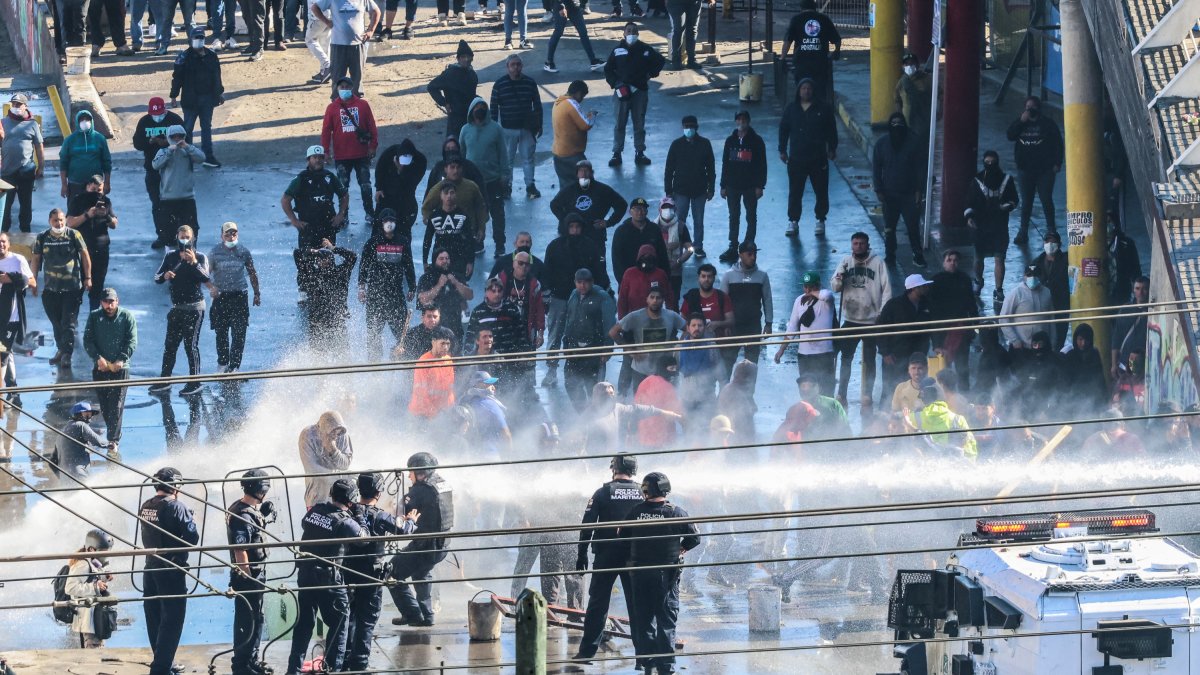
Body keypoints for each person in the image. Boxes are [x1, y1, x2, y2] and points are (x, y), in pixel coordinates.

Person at [619, 471, 699, 675]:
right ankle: (665, 667)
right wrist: (682, 548)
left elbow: (622, 535)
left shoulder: (635, 512)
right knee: (666, 621)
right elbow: (695, 538)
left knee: (644, 621)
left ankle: (648, 662)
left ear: (645, 490)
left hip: (640, 575)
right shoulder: (677, 512)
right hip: (666, 577)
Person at [288, 479, 365, 674]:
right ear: (351, 499)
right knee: (340, 622)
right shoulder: (345, 522)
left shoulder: (315, 510)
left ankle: (293, 670)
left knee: (304, 624)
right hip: (329, 579)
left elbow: (305, 523)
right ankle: (332, 669)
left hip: (305, 574)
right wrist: (359, 516)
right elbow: (364, 539)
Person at [573, 454, 643, 663]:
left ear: (614, 469)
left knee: (598, 604)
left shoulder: (602, 493)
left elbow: (587, 526)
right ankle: (643, 654)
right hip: (634, 557)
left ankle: (586, 653)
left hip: (605, 556)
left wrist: (581, 554)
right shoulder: (643, 492)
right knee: (637, 604)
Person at [344, 473, 414, 671]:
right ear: (379, 492)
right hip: (371, 574)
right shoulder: (379, 516)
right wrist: (411, 520)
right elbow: (403, 530)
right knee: (367, 619)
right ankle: (359, 663)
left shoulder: (348, 512)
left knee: (349, 616)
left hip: (348, 571)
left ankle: (345, 657)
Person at [139, 467, 200, 675]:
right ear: (176, 486)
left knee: (154, 617)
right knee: (172, 620)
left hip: (150, 568)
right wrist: (191, 519)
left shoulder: (146, 505)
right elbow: (192, 538)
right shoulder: (177, 507)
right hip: (171, 570)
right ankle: (161, 668)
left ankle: (163, 661)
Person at [388, 452, 454, 626]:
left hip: (425, 546)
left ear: (421, 473)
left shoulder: (422, 490)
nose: (409, 476)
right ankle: (427, 615)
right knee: (421, 573)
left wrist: (394, 506)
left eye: (411, 472)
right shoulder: (441, 483)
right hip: (442, 545)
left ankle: (412, 614)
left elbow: (399, 509)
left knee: (391, 573)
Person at [830, 231, 889, 407]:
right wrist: (840, 278)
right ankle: (841, 393)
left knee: (870, 360)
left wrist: (882, 314)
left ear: (867, 244)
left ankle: (867, 394)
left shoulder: (878, 263)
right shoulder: (846, 262)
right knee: (846, 358)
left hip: (872, 320)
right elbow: (834, 287)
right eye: (855, 243)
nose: (858, 247)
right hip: (850, 318)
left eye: (861, 243)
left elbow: (887, 289)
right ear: (851, 245)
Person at [150, 226, 209, 397]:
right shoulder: (170, 256)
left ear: (193, 238)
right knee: (170, 345)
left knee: (191, 346)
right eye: (182, 237)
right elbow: (157, 278)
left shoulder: (200, 257)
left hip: (194, 307)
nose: (184, 240)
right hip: (177, 307)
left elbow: (206, 277)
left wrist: (194, 263)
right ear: (177, 237)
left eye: (187, 237)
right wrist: (165, 276)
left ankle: (195, 381)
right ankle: (165, 379)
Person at [31, 209, 92, 369]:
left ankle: (67, 354)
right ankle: (61, 349)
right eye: (55, 220)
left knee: (68, 323)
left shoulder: (74, 235)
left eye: (61, 220)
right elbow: (36, 259)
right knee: (56, 322)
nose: (59, 223)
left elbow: (85, 255)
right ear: (49, 221)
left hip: (72, 288)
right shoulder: (42, 237)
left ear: (65, 219)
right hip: (51, 289)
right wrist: (33, 280)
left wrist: (88, 277)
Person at [226, 470, 271, 675]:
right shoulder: (242, 515)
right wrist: (247, 576)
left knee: (256, 617)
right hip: (249, 575)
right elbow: (240, 549)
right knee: (247, 620)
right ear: (259, 489)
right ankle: (242, 665)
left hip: (253, 573)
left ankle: (250, 659)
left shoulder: (244, 508)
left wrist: (264, 515)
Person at [779, 78, 837, 238]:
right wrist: (782, 150)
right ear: (798, 91)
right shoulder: (791, 109)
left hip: (818, 158)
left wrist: (832, 148)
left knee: (821, 190)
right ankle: (793, 221)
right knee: (795, 192)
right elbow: (784, 129)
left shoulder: (824, 109)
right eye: (803, 88)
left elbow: (832, 130)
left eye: (809, 88)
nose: (806, 91)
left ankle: (820, 219)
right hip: (797, 159)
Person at [82, 288, 135, 458]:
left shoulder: (126, 316)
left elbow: (132, 340)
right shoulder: (94, 316)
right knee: (105, 405)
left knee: (117, 404)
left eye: (112, 301)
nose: (109, 305)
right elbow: (87, 340)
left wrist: (121, 359)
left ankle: (113, 440)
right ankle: (111, 434)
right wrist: (97, 358)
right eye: (106, 302)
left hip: (121, 368)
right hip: (101, 368)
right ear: (101, 303)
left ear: (117, 301)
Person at [604, 23, 665, 167]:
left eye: (634, 31)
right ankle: (616, 153)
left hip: (639, 92)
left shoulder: (645, 49)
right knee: (620, 123)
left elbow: (660, 61)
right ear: (624, 33)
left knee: (639, 123)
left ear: (638, 34)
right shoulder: (617, 50)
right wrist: (616, 83)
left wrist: (651, 74)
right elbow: (608, 69)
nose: (632, 33)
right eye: (629, 31)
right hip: (622, 93)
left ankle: (640, 152)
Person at [359, 209, 416, 361]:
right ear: (381, 223)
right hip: (375, 295)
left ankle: (401, 359)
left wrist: (412, 287)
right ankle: (374, 363)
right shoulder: (372, 242)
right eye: (385, 221)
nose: (389, 224)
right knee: (373, 333)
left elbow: (409, 265)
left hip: (395, 295)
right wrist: (361, 288)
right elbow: (363, 266)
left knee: (402, 332)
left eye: (392, 220)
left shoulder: (403, 242)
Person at [1006, 95, 1063, 245]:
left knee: (1046, 199)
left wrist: (1058, 163)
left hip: (1045, 170)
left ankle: (1051, 229)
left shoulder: (1047, 124)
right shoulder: (1021, 123)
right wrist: (1021, 121)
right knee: (1026, 202)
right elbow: (1010, 135)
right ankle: (1023, 231)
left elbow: (1058, 143)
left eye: (1033, 107)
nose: (1030, 110)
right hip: (1025, 169)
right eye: (1028, 107)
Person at [204, 222, 260, 374]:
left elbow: (252, 272)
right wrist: (211, 288)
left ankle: (234, 366)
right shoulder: (214, 252)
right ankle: (222, 363)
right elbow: (205, 274)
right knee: (221, 332)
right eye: (227, 233)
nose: (231, 236)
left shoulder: (244, 251)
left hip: (239, 296)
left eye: (234, 233)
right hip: (220, 298)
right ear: (222, 235)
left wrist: (257, 293)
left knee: (239, 333)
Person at [322, 78, 379, 225]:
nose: (344, 89)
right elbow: (326, 131)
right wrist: (325, 151)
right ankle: (344, 215)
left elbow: (371, 126)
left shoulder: (363, 105)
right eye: (342, 86)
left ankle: (370, 213)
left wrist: (373, 146)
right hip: (342, 155)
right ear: (337, 88)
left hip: (361, 154)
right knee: (342, 187)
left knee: (366, 185)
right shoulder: (332, 108)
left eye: (347, 86)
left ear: (352, 88)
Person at [965, 149, 1019, 303]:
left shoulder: (1007, 180)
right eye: (987, 162)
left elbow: (1014, 200)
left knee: (999, 259)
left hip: (999, 226)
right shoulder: (977, 180)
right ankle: (978, 280)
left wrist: (1006, 206)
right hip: (980, 227)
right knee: (978, 258)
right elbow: (969, 201)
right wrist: (969, 217)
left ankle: (999, 289)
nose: (990, 165)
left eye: (992, 162)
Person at [873, 112, 926, 266]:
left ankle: (918, 254)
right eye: (893, 123)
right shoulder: (881, 144)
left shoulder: (914, 142)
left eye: (899, 122)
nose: (896, 126)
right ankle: (890, 255)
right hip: (889, 194)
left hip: (910, 194)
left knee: (912, 227)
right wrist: (878, 189)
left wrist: (919, 190)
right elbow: (876, 168)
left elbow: (921, 168)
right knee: (889, 228)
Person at [459, 96, 510, 257]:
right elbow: (461, 153)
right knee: (474, 215)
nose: (479, 110)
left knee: (497, 214)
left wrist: (504, 175)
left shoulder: (496, 128)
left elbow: (503, 153)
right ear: (471, 111)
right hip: (472, 183)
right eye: (476, 107)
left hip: (493, 180)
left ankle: (500, 245)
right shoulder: (465, 130)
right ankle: (477, 243)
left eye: (482, 106)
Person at [611, 285, 685, 395]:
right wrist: (630, 351)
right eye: (652, 297)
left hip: (664, 368)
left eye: (658, 298)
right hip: (641, 369)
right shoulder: (635, 316)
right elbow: (613, 332)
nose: (655, 300)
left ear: (663, 300)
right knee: (641, 402)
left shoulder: (671, 316)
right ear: (647, 299)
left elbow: (688, 328)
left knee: (665, 401)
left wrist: (678, 345)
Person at [131, 97, 184, 247]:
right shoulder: (144, 122)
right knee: (157, 204)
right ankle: (162, 235)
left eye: (160, 114)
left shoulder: (174, 120)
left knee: (175, 203)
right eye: (154, 114)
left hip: (173, 170)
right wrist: (148, 142)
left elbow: (186, 141)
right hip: (153, 170)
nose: (157, 117)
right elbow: (137, 143)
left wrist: (166, 142)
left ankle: (177, 234)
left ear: (165, 110)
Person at [562, 267, 616, 409]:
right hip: (574, 350)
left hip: (594, 350)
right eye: (579, 282)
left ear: (592, 282)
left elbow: (610, 323)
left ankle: (596, 417)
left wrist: (608, 348)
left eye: (586, 282)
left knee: (595, 388)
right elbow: (569, 320)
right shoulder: (574, 295)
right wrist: (565, 344)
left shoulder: (603, 297)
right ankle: (583, 414)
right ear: (575, 282)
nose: (582, 285)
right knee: (570, 383)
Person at [775, 271, 836, 394]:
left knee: (826, 390)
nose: (807, 290)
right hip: (805, 354)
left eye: (811, 286)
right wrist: (781, 349)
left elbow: (826, 295)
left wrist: (811, 294)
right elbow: (792, 327)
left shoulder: (826, 300)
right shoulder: (799, 301)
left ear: (818, 286)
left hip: (824, 353)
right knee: (806, 390)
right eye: (805, 287)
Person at [718, 110, 767, 263]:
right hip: (732, 186)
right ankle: (733, 246)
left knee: (751, 216)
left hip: (750, 186)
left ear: (748, 121)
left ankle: (749, 244)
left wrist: (760, 185)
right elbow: (725, 164)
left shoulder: (757, 141)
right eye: (738, 119)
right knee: (734, 216)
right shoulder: (730, 141)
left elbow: (762, 165)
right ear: (735, 121)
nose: (741, 122)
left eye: (744, 119)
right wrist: (723, 185)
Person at [170, 28, 225, 168]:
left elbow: (216, 77)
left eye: (201, 37)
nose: (198, 40)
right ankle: (187, 156)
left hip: (207, 99)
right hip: (190, 99)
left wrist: (219, 93)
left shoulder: (211, 55)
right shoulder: (183, 57)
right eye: (196, 37)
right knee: (187, 129)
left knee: (206, 127)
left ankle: (208, 156)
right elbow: (177, 78)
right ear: (190, 39)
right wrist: (174, 95)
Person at [512, 507, 584, 610]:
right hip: (541, 524)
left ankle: (574, 612)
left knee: (572, 572)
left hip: (568, 525)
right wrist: (523, 517)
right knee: (527, 565)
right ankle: (549, 609)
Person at [491, 56, 543, 198]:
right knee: (508, 161)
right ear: (507, 67)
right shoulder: (499, 85)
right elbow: (494, 108)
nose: (516, 68)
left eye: (518, 64)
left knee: (528, 158)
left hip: (527, 129)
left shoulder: (530, 83)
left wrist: (539, 125)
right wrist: (493, 129)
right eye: (513, 65)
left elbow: (538, 106)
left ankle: (530, 186)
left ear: (522, 66)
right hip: (507, 129)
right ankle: (507, 187)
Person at [66, 175, 119, 310]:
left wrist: (106, 215)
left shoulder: (106, 202)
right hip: (80, 250)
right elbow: (70, 223)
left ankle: (94, 320)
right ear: (87, 187)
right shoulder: (78, 200)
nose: (96, 193)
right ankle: (72, 321)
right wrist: (87, 215)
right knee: (77, 287)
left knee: (97, 288)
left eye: (99, 190)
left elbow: (115, 224)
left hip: (101, 250)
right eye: (93, 189)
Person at [718, 242, 772, 374]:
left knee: (751, 365)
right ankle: (724, 392)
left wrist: (769, 323)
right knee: (728, 362)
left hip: (753, 326)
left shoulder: (762, 276)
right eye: (749, 254)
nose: (753, 257)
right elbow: (722, 302)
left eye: (755, 254)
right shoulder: (728, 275)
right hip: (733, 327)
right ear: (740, 255)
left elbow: (767, 300)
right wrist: (724, 325)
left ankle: (748, 394)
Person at [282, 145, 350, 249]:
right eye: (314, 157)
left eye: (320, 157)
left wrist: (341, 215)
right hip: (308, 227)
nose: (318, 160)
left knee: (328, 259)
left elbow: (344, 195)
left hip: (328, 226)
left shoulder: (330, 176)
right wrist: (294, 220)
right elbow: (285, 200)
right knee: (306, 261)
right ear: (308, 160)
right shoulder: (301, 178)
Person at [422, 157, 489, 262]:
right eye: (452, 167)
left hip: (468, 234)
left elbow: (481, 207)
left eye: (458, 167)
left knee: (465, 266)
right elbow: (426, 208)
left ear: (462, 169)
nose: (455, 171)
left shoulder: (471, 187)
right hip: (445, 238)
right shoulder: (438, 189)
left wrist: (481, 228)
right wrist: (432, 222)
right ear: (446, 169)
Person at [663, 116, 714, 254]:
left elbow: (710, 168)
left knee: (698, 220)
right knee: (679, 220)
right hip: (681, 190)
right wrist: (668, 190)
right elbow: (669, 168)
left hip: (700, 189)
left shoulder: (705, 144)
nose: (688, 129)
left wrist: (711, 189)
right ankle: (679, 244)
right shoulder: (676, 145)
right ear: (682, 127)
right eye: (686, 126)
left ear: (697, 127)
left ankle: (698, 247)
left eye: (691, 126)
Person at [551, 161, 628, 252]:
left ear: (592, 173)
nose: (584, 174)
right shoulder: (569, 190)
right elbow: (554, 205)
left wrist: (608, 222)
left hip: (595, 235)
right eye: (581, 171)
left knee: (597, 263)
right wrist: (567, 221)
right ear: (577, 174)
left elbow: (622, 205)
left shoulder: (602, 190)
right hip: (572, 235)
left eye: (586, 170)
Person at [583, 381, 682, 452]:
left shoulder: (618, 409)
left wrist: (664, 413)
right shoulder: (588, 415)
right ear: (597, 396)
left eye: (611, 393)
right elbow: (579, 436)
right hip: (596, 460)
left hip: (614, 460)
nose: (609, 396)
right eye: (605, 394)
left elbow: (639, 410)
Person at [928, 249, 977, 389]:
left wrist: (974, 326)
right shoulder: (936, 281)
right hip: (943, 330)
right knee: (944, 368)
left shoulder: (965, 279)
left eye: (955, 260)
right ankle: (944, 395)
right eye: (949, 260)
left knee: (963, 367)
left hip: (961, 329)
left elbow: (971, 304)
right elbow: (933, 312)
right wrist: (936, 341)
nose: (952, 263)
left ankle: (965, 395)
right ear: (943, 263)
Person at [311, 0, 380, 97]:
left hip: (358, 45)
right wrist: (327, 22)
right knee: (337, 78)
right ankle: (337, 103)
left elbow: (376, 11)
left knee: (357, 78)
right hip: (338, 46)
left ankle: (356, 102)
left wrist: (371, 30)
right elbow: (315, 7)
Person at [875, 274, 933, 391]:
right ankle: (889, 409)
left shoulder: (927, 304)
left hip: (917, 355)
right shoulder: (893, 305)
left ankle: (913, 409)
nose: (926, 288)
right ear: (914, 288)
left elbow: (933, 327)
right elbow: (881, 328)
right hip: (895, 356)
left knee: (916, 388)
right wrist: (885, 353)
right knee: (891, 389)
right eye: (923, 286)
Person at [295, 240, 357, 345]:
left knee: (341, 352)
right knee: (317, 352)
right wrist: (315, 251)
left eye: (323, 258)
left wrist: (333, 248)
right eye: (319, 259)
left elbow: (353, 256)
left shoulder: (341, 273)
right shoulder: (312, 274)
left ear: (331, 259)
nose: (320, 261)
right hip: (317, 320)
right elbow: (297, 253)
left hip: (336, 319)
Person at [152, 125, 205, 246]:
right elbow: (155, 165)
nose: (177, 139)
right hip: (168, 199)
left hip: (187, 198)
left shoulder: (189, 151)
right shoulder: (164, 151)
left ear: (184, 136)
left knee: (191, 230)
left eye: (180, 136)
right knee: (168, 232)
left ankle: (191, 256)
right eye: (173, 136)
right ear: (169, 138)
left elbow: (202, 158)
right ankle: (171, 259)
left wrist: (186, 146)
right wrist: (170, 151)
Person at [1, 94, 45, 234]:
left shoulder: (32, 124)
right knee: (5, 205)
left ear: (26, 106)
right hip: (7, 172)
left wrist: (41, 167)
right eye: (14, 104)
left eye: (19, 104)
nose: (16, 107)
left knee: (25, 204)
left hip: (26, 170)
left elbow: (39, 147)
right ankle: (3, 232)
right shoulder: (2, 123)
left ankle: (25, 231)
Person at [904, 377, 978, 460]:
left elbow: (902, 447)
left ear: (923, 396)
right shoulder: (958, 419)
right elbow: (971, 450)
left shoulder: (911, 418)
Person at [65, 529, 115, 648]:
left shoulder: (93, 562)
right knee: (93, 653)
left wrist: (105, 578)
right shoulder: (83, 564)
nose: (106, 554)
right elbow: (70, 587)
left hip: (95, 617)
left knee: (98, 648)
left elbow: (92, 578)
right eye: (104, 551)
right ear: (92, 549)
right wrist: (94, 587)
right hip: (88, 619)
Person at [779, 0, 840, 97]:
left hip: (801, 63)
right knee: (820, 92)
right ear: (815, 7)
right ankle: (819, 110)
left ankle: (804, 108)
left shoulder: (796, 19)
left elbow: (788, 41)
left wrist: (783, 57)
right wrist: (836, 52)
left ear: (801, 8)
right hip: (820, 62)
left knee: (803, 91)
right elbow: (837, 40)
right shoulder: (824, 19)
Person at [415, 249, 474, 341]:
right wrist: (439, 285)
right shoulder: (426, 278)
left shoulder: (456, 276)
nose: (445, 261)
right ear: (435, 261)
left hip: (455, 329)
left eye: (447, 258)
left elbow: (470, 295)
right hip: (432, 331)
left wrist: (456, 283)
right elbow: (423, 299)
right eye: (441, 259)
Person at [298, 410, 354, 508]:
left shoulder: (343, 435)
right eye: (332, 432)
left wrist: (333, 450)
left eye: (338, 432)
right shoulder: (307, 435)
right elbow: (313, 470)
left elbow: (345, 465)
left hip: (339, 495)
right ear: (322, 430)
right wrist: (340, 476)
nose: (336, 436)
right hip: (317, 493)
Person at [374, 139, 427, 238]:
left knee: (404, 231)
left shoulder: (421, 160)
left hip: (406, 196)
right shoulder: (389, 152)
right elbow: (379, 169)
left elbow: (412, 183)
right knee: (378, 228)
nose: (403, 164)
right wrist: (379, 188)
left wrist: (401, 170)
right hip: (387, 193)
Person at [494, 251, 546, 350]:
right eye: (520, 263)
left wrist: (540, 334)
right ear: (513, 263)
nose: (523, 266)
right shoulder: (501, 278)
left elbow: (540, 311)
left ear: (530, 267)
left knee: (527, 362)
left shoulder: (535, 284)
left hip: (526, 330)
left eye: (527, 264)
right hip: (503, 329)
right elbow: (490, 303)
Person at [550, 81, 598, 186]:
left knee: (566, 187)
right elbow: (586, 124)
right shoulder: (572, 104)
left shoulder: (558, 102)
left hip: (558, 153)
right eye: (582, 96)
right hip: (572, 154)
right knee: (587, 184)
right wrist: (592, 115)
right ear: (578, 93)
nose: (582, 99)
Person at [0, 233, 32, 390]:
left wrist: (11, 278)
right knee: (6, 351)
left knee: (2, 352)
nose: (1, 244)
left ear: (8, 243)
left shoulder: (18, 260)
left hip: (11, 317)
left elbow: (30, 281)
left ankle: (4, 392)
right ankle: (12, 388)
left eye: (3, 241)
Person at [613, 200, 671, 285]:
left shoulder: (654, 229)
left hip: (653, 278)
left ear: (647, 212)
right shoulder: (621, 231)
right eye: (637, 209)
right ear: (630, 212)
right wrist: (623, 282)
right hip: (630, 280)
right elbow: (617, 260)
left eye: (643, 209)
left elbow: (663, 255)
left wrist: (665, 278)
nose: (640, 212)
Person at [59, 110, 111, 203]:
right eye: (82, 119)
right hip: (75, 184)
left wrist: (107, 183)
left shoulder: (100, 138)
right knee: (75, 212)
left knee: (96, 211)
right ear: (77, 122)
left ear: (91, 121)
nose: (85, 121)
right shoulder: (69, 140)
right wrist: (64, 184)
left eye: (87, 119)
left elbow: (106, 161)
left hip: (96, 185)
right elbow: (63, 163)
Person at [428, 41, 479, 136]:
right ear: (458, 59)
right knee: (454, 144)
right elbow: (431, 87)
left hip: (471, 115)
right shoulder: (450, 74)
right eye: (463, 57)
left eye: (469, 56)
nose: (466, 59)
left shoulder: (472, 74)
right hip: (455, 116)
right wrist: (444, 103)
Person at [998, 264, 1053, 352]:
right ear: (1024, 276)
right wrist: (1014, 340)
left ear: (1040, 276)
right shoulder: (1016, 293)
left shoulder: (1047, 293)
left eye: (1035, 275)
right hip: (1022, 347)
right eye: (1029, 275)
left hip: (1043, 346)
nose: (1032, 278)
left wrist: (1052, 342)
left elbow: (1051, 319)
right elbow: (1003, 318)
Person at [634, 356, 682, 448]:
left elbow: (635, 407)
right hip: (663, 438)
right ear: (662, 368)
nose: (674, 372)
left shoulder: (645, 382)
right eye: (671, 368)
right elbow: (677, 412)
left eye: (676, 368)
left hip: (643, 436)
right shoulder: (668, 387)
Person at [544, 0, 604, 74]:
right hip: (561, 4)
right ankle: (549, 62)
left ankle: (593, 61)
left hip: (574, 5)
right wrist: (561, 7)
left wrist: (582, 4)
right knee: (558, 32)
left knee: (583, 32)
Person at [461, 370, 513, 456]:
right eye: (489, 384)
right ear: (480, 385)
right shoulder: (491, 405)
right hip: (490, 455)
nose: (493, 387)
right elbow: (506, 434)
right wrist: (510, 459)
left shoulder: (465, 401)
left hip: (472, 454)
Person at [51, 402, 109, 479]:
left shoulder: (62, 432)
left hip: (64, 476)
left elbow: (52, 461)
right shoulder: (81, 425)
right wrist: (111, 444)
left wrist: (61, 477)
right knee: (88, 490)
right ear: (77, 415)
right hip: (79, 472)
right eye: (86, 415)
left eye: (90, 414)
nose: (89, 417)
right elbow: (99, 442)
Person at [1031, 230, 1068, 349]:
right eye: (1047, 241)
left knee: (1059, 337)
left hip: (1060, 306)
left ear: (1059, 244)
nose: (1050, 244)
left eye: (1053, 241)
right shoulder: (1036, 263)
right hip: (1043, 307)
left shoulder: (1066, 260)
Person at [1061, 322, 1108, 414]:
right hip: (1074, 402)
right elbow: (1065, 383)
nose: (1083, 343)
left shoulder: (1094, 354)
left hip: (1093, 400)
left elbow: (1100, 379)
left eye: (1086, 340)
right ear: (1075, 339)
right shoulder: (1070, 356)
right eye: (1080, 339)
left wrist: (1104, 401)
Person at [409, 327, 457, 418]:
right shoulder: (423, 361)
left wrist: (450, 409)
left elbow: (449, 389)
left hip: (440, 412)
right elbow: (421, 392)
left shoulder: (448, 360)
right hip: (421, 413)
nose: (446, 347)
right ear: (433, 342)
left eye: (448, 344)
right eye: (442, 343)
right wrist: (434, 415)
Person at [1112, 275, 1150, 383]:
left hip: (1145, 364)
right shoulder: (1125, 310)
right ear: (1133, 290)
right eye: (1137, 289)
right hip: (1124, 363)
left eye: (1144, 289)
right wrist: (1114, 364)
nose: (1140, 292)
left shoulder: (1153, 310)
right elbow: (1116, 339)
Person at [618, 245, 674, 316]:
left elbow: (669, 296)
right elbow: (622, 299)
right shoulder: (630, 274)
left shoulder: (660, 274)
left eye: (650, 257)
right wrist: (622, 319)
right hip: (634, 317)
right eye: (644, 257)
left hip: (655, 316)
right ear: (639, 258)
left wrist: (670, 316)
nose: (647, 260)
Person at [893, 51, 931, 150]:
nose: (909, 66)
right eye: (907, 64)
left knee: (922, 148)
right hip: (907, 122)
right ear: (903, 66)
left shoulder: (926, 79)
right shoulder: (902, 81)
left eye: (912, 63)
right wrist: (898, 115)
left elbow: (939, 94)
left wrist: (939, 111)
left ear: (917, 65)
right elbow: (897, 99)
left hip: (922, 121)